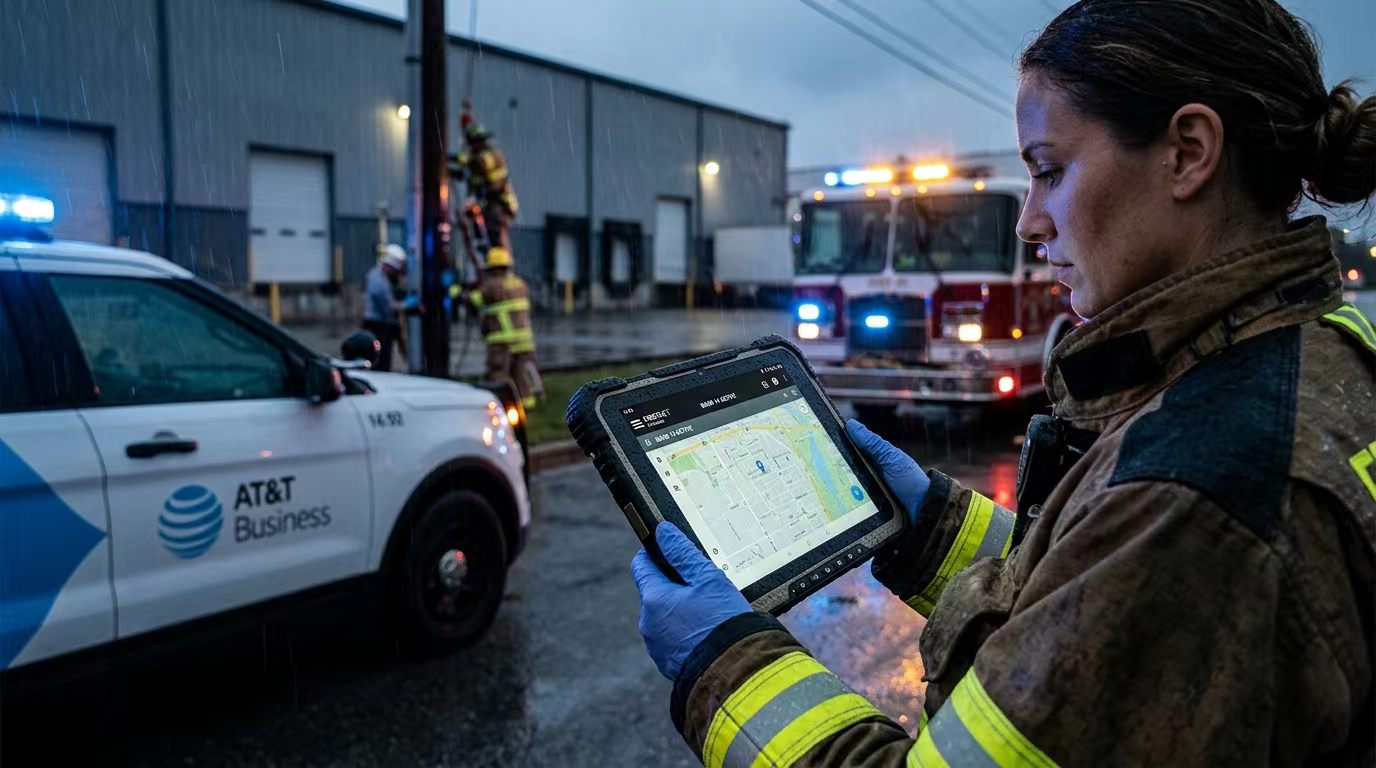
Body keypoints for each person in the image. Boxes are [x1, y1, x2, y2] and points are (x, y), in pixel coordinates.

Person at [631, 1, 1376, 765]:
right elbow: (1087, 589)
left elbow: (1135, 562)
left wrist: (722, 662)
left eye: (1049, 171)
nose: (1029, 223)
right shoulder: (1318, 349)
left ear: (1188, 151)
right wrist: (928, 529)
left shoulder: (1193, 496)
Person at [462, 246, 544, 409]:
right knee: (521, 374)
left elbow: (475, 300)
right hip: (524, 341)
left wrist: (457, 292)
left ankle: (503, 406)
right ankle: (527, 405)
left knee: (499, 374)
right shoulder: (520, 284)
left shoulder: (492, 286)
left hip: (502, 342)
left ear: (492, 268)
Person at [458, 107, 520, 252]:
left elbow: (479, 164)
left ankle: (499, 264)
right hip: (486, 203)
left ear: (478, 141)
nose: (470, 147)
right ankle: (488, 255)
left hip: (499, 204)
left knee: (495, 237)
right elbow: (471, 177)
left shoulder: (492, 156)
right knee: (481, 234)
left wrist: (459, 158)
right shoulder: (478, 158)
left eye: (472, 143)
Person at [362, 244, 418, 372]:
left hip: (378, 325)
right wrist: (409, 304)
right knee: (381, 361)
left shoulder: (376, 275)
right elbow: (389, 307)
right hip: (378, 326)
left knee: (381, 358)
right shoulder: (379, 282)